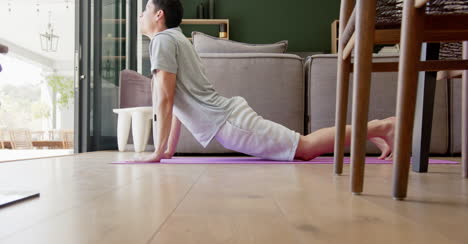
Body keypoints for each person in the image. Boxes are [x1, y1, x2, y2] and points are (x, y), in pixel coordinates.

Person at [134, 0, 395, 163]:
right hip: (229, 121)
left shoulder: (163, 41)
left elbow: (166, 99)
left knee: (304, 148)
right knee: (303, 147)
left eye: (145, 9)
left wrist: (157, 152)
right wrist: (167, 149)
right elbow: (178, 104)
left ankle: (378, 127)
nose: (140, 15)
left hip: (231, 123)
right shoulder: (178, 39)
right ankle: (371, 130)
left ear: (159, 15)